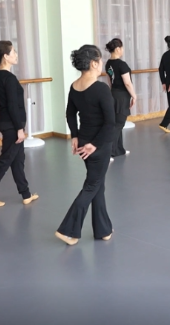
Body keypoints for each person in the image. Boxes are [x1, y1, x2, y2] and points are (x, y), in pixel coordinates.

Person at [56, 45, 115, 246]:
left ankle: (103, 229)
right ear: (94, 63)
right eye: (100, 60)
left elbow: (70, 114)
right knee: (92, 186)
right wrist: (95, 145)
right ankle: (68, 230)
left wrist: (75, 136)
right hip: (98, 145)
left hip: (84, 142)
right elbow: (110, 122)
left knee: (97, 183)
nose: (102, 63)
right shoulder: (101, 88)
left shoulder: (75, 86)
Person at [0, 41, 39, 207]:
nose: (16, 55)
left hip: (8, 122)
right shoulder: (9, 78)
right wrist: (19, 128)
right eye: (14, 52)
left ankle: (25, 194)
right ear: (6, 56)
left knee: (18, 160)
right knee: (6, 159)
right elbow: (12, 105)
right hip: (12, 125)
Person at [105, 38, 137, 158]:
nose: (123, 50)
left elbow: (110, 81)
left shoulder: (108, 63)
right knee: (118, 124)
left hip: (113, 94)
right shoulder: (122, 65)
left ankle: (119, 150)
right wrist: (134, 95)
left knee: (117, 123)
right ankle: (108, 153)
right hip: (122, 96)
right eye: (122, 48)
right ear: (118, 49)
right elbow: (127, 83)